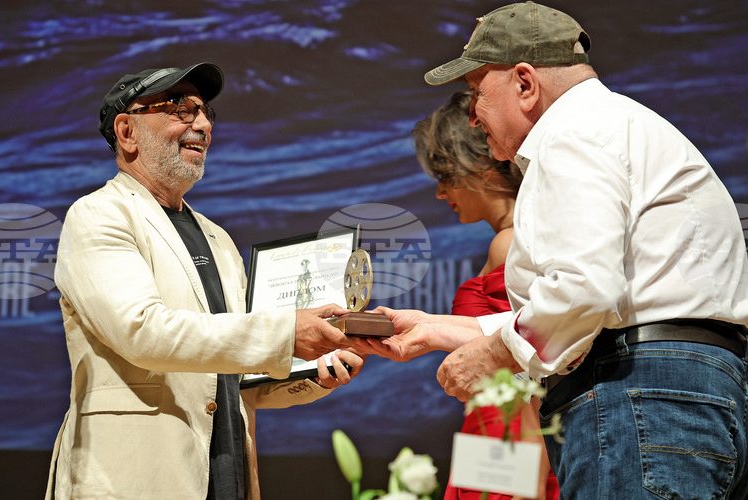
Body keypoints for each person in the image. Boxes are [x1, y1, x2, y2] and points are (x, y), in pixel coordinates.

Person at [378, 2, 748, 498]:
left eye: (478, 93)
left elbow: (582, 290)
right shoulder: (616, 124)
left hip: (638, 397)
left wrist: (495, 354)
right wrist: (437, 329)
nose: (473, 119)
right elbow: (604, 302)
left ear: (525, 83)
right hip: (687, 391)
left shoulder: (571, 133)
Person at [46, 62, 364, 500]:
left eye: (204, 111)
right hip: (134, 481)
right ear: (127, 131)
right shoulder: (99, 215)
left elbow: (239, 380)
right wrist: (287, 332)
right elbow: (141, 331)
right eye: (180, 109)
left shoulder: (218, 239)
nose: (201, 125)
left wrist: (315, 373)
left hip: (226, 478)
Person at [413, 91, 561, 499]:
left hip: (513, 434)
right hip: (499, 430)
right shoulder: (517, 239)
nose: (440, 193)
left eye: (445, 176)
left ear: (480, 167)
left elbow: (528, 377)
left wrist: (527, 480)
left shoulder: (510, 244)